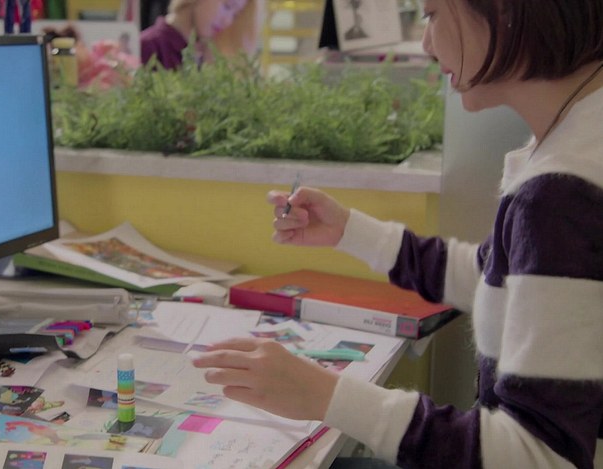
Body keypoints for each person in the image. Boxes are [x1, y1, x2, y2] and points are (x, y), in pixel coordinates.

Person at [192, 1, 603, 468]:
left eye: (432, 14)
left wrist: (324, 395)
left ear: (503, 10)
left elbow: (541, 456)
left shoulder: (562, 192)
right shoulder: (577, 137)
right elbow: (497, 279)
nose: (426, 43)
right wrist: (349, 232)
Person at [140, 0, 258, 70]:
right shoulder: (148, 48)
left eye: (235, 15)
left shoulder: (208, 58)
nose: (227, 21)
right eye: (227, 6)